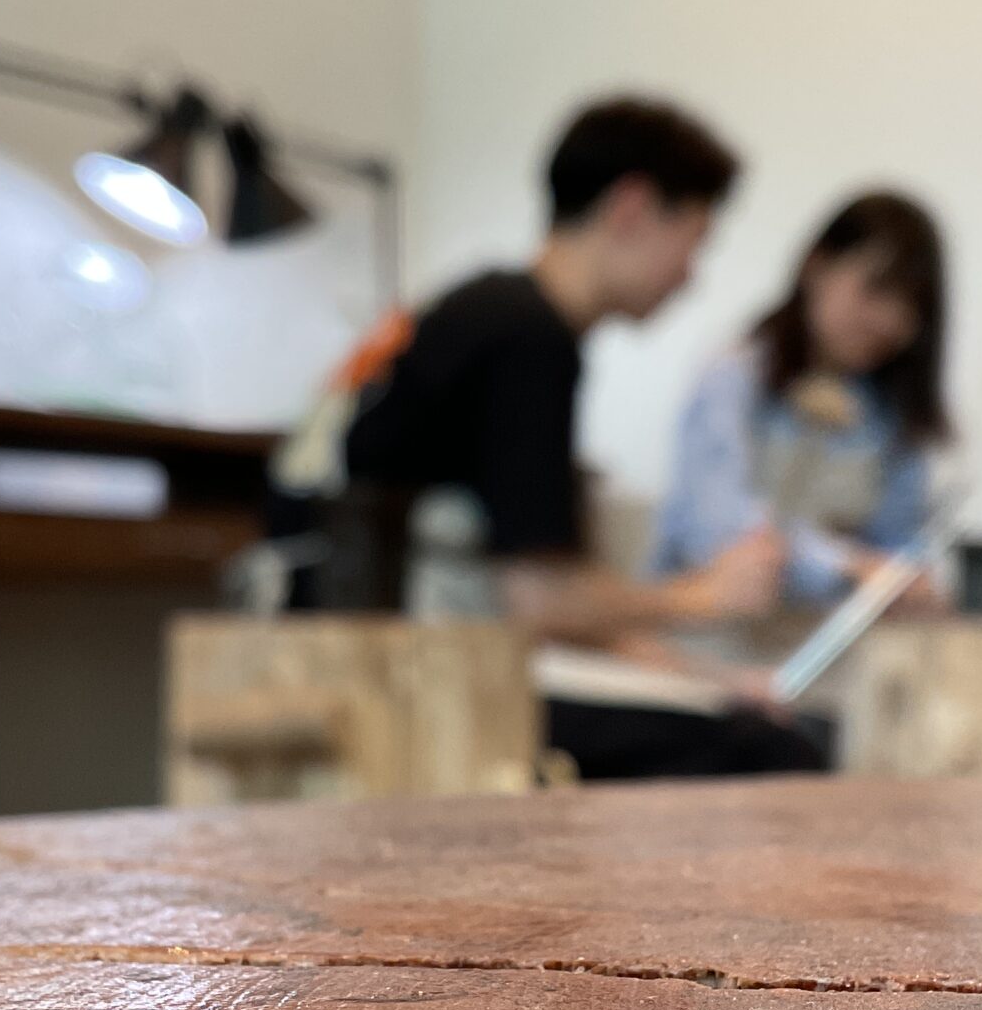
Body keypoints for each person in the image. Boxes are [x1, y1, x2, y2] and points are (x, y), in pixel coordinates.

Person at [271, 97, 822, 777]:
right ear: (632, 208)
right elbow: (542, 603)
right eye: (695, 240)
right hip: (393, 679)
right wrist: (702, 596)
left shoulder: (490, 311)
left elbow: (553, 606)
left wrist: (716, 680)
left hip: (384, 656)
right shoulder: (528, 338)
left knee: (748, 725)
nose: (691, 275)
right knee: (771, 751)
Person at [653, 190, 950, 606]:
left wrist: (907, 581)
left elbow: (899, 545)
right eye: (876, 290)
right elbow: (717, 528)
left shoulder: (890, 414)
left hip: (830, 634)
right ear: (817, 266)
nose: (891, 320)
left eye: (912, 304)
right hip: (705, 625)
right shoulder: (734, 376)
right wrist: (847, 565)